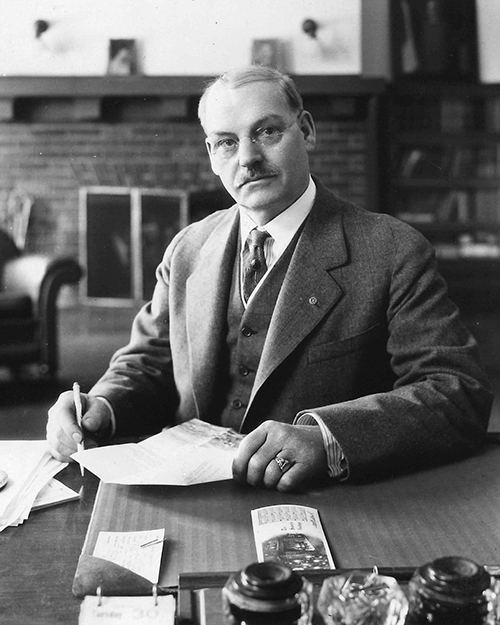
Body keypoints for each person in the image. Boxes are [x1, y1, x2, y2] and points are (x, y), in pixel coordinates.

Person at [47, 65, 492, 491]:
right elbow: (147, 365)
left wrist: (327, 438)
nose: (248, 159)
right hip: (190, 499)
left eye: (267, 132)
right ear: (211, 153)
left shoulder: (392, 249)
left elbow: (457, 392)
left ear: (308, 130)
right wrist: (99, 406)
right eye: (226, 142)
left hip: (327, 501)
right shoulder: (188, 248)